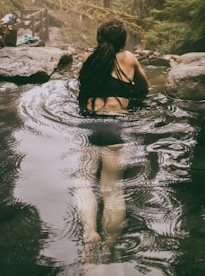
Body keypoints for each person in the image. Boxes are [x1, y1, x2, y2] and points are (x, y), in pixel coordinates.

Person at [75, 19, 149, 258]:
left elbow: (81, 87)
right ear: (123, 41)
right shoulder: (128, 59)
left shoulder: (88, 58)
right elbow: (144, 89)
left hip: (89, 125)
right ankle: (108, 248)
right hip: (115, 128)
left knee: (84, 181)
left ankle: (89, 234)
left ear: (98, 39)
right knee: (111, 189)